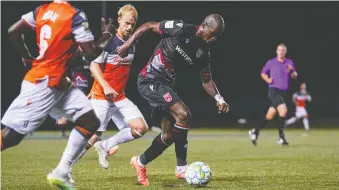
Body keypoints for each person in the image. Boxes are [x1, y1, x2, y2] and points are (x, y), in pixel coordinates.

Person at [1, 0, 115, 189]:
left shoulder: (42, 10)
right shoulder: (74, 14)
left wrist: (26, 56)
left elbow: (13, 31)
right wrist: (108, 32)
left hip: (59, 83)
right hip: (44, 83)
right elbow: (92, 53)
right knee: (10, 137)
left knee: (90, 121)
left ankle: (61, 172)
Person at [117, 14, 229, 186]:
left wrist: (219, 98)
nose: (213, 39)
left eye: (217, 37)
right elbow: (148, 25)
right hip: (149, 79)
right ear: (204, 25)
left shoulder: (203, 52)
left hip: (165, 85)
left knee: (169, 135)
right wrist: (126, 45)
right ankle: (181, 168)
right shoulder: (181, 28)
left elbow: (206, 81)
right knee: (183, 114)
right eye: (212, 34)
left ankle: (139, 162)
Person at [68, 4, 148, 173]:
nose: (129, 27)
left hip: (119, 97)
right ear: (119, 20)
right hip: (101, 96)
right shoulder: (109, 42)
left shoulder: (133, 42)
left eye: (132, 25)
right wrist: (106, 86)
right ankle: (65, 168)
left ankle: (105, 146)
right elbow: (93, 65)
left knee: (140, 128)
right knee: (91, 136)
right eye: (126, 23)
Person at [249, 43, 298, 146]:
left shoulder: (289, 62)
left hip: (284, 92)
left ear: (285, 52)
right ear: (276, 51)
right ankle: (281, 137)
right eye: (279, 50)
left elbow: (294, 76)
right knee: (283, 110)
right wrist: (267, 79)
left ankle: (255, 131)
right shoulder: (271, 62)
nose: (281, 52)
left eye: (283, 50)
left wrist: (292, 71)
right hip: (274, 91)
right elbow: (263, 73)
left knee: (270, 116)